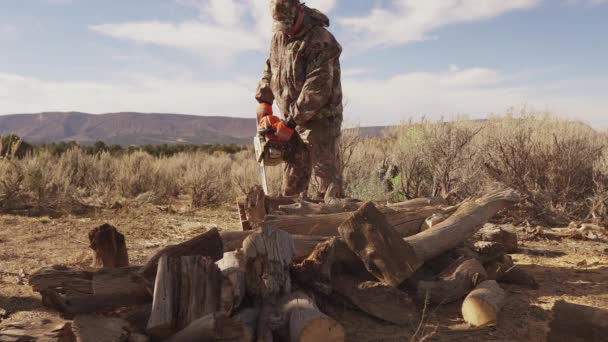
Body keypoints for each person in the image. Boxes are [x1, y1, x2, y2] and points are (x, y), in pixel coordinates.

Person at [255, 0, 344, 199]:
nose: (285, 31)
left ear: (299, 12)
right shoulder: (279, 36)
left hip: (320, 121)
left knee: (328, 185)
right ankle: (290, 222)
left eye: (288, 24)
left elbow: (316, 89)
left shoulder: (320, 40)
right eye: (281, 25)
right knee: (293, 185)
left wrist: (289, 122)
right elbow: (270, 68)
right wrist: (264, 101)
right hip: (292, 119)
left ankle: (333, 224)